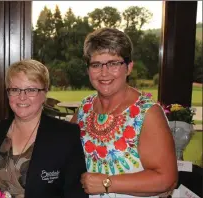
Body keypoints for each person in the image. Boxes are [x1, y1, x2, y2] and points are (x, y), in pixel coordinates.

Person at [70, 27, 178, 197]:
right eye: (96, 65)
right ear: (88, 70)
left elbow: (167, 179)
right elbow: (65, 155)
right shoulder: (84, 108)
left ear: (128, 67)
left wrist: (107, 183)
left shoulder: (147, 113)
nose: (104, 73)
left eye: (113, 63)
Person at [0, 59, 88, 198]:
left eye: (31, 90)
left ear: (45, 93)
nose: (22, 97)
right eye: (15, 89)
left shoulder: (66, 135)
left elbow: (76, 194)